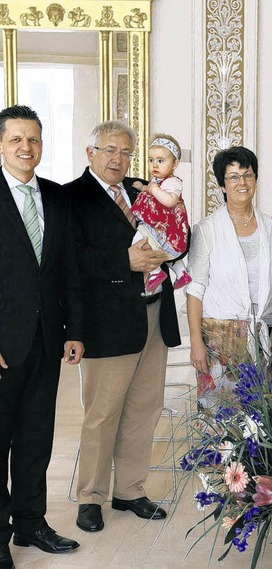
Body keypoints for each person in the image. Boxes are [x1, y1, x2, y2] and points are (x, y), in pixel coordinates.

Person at [66, 121, 182, 534]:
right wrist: (124, 263)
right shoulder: (71, 198)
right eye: (109, 150)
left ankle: (130, 490)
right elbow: (70, 264)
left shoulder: (141, 191)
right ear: (90, 152)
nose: (118, 159)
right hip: (106, 323)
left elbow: (168, 231)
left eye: (126, 152)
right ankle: (91, 497)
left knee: (144, 409)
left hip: (153, 314)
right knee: (102, 414)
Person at [0, 105, 83, 568]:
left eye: (33, 139)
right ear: (1, 145)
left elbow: (66, 270)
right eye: (16, 139)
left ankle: (31, 524)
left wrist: (74, 331)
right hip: (3, 343)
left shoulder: (55, 198)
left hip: (48, 340)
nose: (26, 148)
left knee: (36, 439)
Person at [186, 146, 272, 407]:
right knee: (220, 419)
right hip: (219, 337)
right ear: (222, 185)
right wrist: (196, 342)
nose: (242, 182)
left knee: (261, 420)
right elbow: (194, 290)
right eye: (233, 176)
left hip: (263, 331)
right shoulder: (207, 230)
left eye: (248, 175)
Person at [131, 134, 191, 293]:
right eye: (151, 160)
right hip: (163, 227)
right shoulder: (157, 181)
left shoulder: (173, 182)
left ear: (175, 163)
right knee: (166, 253)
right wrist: (144, 188)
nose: (154, 165)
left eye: (160, 161)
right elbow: (152, 192)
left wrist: (154, 189)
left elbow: (170, 200)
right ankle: (182, 273)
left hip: (162, 227)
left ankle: (155, 273)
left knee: (139, 241)